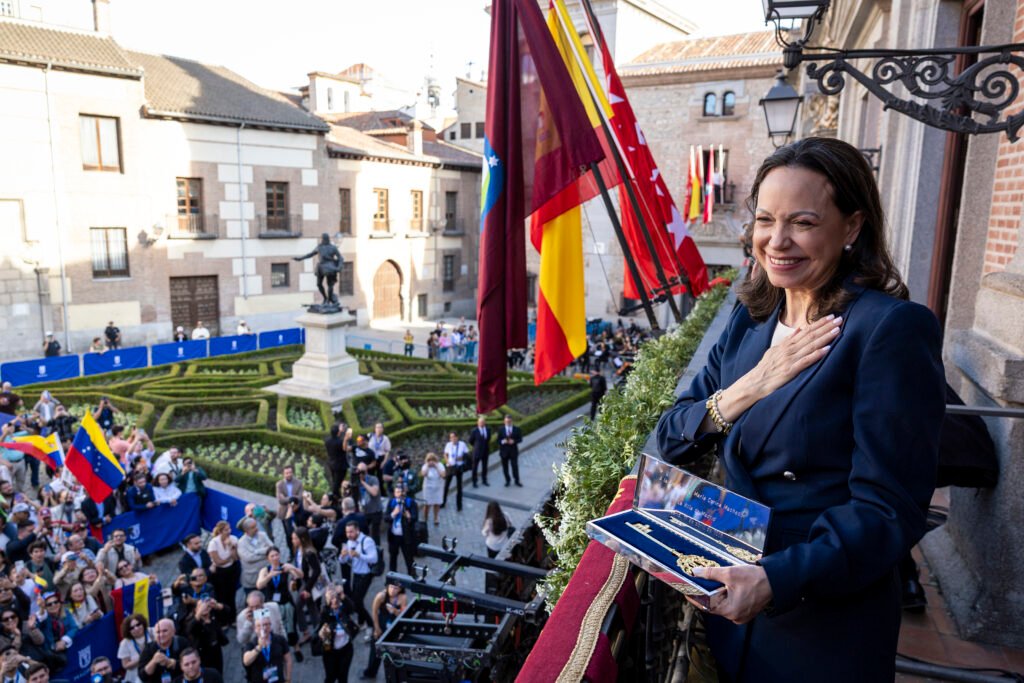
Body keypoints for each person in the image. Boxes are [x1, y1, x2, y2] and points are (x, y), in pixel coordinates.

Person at [654, 137, 945, 682]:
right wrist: (752, 385)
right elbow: (671, 435)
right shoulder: (749, 318)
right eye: (766, 220)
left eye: (804, 223)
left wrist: (775, 580)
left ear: (852, 227)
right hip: (730, 601)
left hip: (819, 622)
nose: (777, 241)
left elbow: (888, 511)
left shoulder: (889, 329)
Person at [360, 583, 407, 679]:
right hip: (382, 623)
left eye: (396, 588)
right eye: (391, 587)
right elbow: (374, 611)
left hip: (394, 626)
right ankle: (370, 672)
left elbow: (404, 615)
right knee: (375, 651)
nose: (393, 590)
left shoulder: (402, 598)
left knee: (393, 653)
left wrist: (395, 611)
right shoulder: (381, 596)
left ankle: (393, 675)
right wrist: (376, 628)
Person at [338, 521, 376, 628]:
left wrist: (359, 555)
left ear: (357, 530)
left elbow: (374, 558)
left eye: (351, 532)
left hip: (365, 575)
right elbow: (343, 561)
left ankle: (371, 625)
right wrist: (342, 556)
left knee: (357, 602)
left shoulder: (367, 541)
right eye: (347, 532)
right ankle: (361, 622)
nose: (349, 535)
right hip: (356, 574)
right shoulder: (349, 543)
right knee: (357, 601)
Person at [317, 584, 358, 683]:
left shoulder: (344, 608)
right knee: (330, 677)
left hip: (345, 650)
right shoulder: (325, 611)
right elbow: (321, 624)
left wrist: (342, 595)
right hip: (329, 650)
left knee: (343, 677)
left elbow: (352, 608)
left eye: (336, 597)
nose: (334, 601)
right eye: (331, 598)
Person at [294, 232, 343, 306]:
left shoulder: (333, 247)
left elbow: (340, 258)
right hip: (321, 267)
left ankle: (329, 300)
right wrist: (300, 258)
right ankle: (326, 298)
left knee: (330, 285)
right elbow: (311, 254)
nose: (323, 240)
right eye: (323, 238)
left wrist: (339, 266)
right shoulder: (319, 247)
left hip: (330, 267)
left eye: (324, 238)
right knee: (319, 284)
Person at [242, 612, 291, 683]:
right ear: (255, 629)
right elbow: (246, 661)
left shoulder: (280, 639)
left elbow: (288, 660)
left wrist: (288, 679)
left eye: (266, 624)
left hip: (278, 680)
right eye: (259, 626)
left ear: (270, 626)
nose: (264, 628)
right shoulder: (251, 644)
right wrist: (259, 647)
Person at [206, 521, 240, 622]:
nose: (229, 531)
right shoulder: (213, 543)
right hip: (219, 573)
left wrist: (231, 547)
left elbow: (236, 558)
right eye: (226, 530)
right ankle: (223, 620)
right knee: (221, 595)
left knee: (232, 594)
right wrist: (230, 556)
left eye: (229, 529)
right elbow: (218, 562)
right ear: (220, 531)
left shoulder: (233, 539)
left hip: (232, 570)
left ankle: (232, 618)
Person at [138, 618, 187, 683]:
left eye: (164, 631)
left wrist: (171, 663)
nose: (161, 635)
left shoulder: (182, 642)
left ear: (173, 631)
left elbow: (192, 667)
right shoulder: (148, 649)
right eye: (158, 632)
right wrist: (153, 661)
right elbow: (142, 676)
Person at [385, 481, 417, 575]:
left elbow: (415, 518)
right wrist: (393, 514)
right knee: (393, 558)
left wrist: (409, 517)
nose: (398, 495)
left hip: (406, 536)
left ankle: (412, 577)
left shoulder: (410, 503)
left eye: (400, 492)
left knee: (409, 559)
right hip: (393, 536)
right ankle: (392, 578)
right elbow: (386, 518)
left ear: (404, 493)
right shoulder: (392, 502)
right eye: (396, 492)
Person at [237, 519, 274, 595]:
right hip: (252, 579)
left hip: (266, 576)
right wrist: (265, 554)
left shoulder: (262, 535)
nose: (256, 528)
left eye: (256, 526)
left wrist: (257, 551)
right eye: (253, 527)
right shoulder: (241, 543)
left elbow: (271, 549)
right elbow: (249, 558)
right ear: (246, 530)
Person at [352, 463, 382, 548]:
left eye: (363, 472)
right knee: (362, 533)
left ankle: (377, 552)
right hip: (364, 511)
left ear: (366, 471)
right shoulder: (355, 480)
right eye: (359, 471)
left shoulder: (373, 479)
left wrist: (363, 482)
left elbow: (374, 492)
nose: (361, 474)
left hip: (375, 510)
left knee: (375, 534)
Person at [117, 613, 152, 683]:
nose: (136, 628)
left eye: (138, 624)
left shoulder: (152, 632)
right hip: (135, 676)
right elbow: (125, 665)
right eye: (131, 628)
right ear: (128, 631)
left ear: (143, 623)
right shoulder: (124, 643)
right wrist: (142, 658)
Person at [441, 431, 468, 511]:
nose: (452, 439)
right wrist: (447, 461)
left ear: (457, 437)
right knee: (446, 485)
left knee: (459, 487)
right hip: (450, 467)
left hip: (459, 466)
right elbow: (445, 454)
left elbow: (467, 455)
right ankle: (443, 502)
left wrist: (461, 458)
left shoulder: (462, 444)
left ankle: (459, 505)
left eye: (453, 437)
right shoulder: (448, 445)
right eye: (451, 437)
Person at [323, 423, 349, 499]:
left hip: (332, 463)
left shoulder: (327, 440)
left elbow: (336, 439)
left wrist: (339, 432)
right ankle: (335, 496)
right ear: (338, 432)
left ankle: (336, 496)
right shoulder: (340, 442)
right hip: (340, 466)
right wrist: (345, 438)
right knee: (338, 483)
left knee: (335, 481)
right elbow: (345, 449)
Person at [419, 452, 445, 526]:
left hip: (438, 488)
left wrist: (436, 467)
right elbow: (423, 474)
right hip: (428, 489)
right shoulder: (425, 466)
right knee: (427, 504)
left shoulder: (440, 465)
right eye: (429, 460)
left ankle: (436, 518)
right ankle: (425, 518)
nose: (431, 461)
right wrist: (427, 466)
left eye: (433, 460)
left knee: (437, 504)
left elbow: (443, 475)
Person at [498, 415, 523, 487]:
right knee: (505, 467)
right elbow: (498, 440)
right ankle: (507, 480)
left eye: (509, 421)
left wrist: (514, 441)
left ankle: (517, 481)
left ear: (511, 421)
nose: (508, 423)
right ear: (504, 422)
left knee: (515, 466)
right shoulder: (501, 429)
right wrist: (503, 441)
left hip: (513, 451)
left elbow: (520, 439)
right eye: (506, 421)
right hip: (504, 452)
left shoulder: (516, 429)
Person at [467, 416, 491, 488]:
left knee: (485, 467)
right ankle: (474, 481)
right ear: (478, 423)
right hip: (477, 452)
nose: (482, 423)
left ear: (485, 423)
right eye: (480, 422)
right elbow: (470, 441)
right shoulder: (474, 431)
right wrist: (476, 446)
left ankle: (484, 480)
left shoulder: (488, 429)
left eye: (483, 422)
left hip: (485, 451)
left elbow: (488, 439)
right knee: (475, 467)